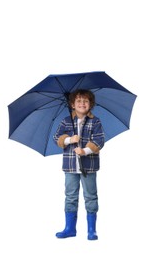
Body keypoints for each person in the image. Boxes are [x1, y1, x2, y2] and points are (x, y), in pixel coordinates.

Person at [53, 89, 104, 241]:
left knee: (90, 196)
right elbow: (57, 137)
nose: (82, 104)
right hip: (70, 166)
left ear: (90, 104)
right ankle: (70, 229)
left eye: (85, 101)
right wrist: (69, 139)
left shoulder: (95, 121)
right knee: (70, 196)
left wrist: (85, 150)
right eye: (79, 101)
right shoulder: (66, 121)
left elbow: (99, 140)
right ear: (72, 104)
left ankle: (91, 229)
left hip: (89, 166)